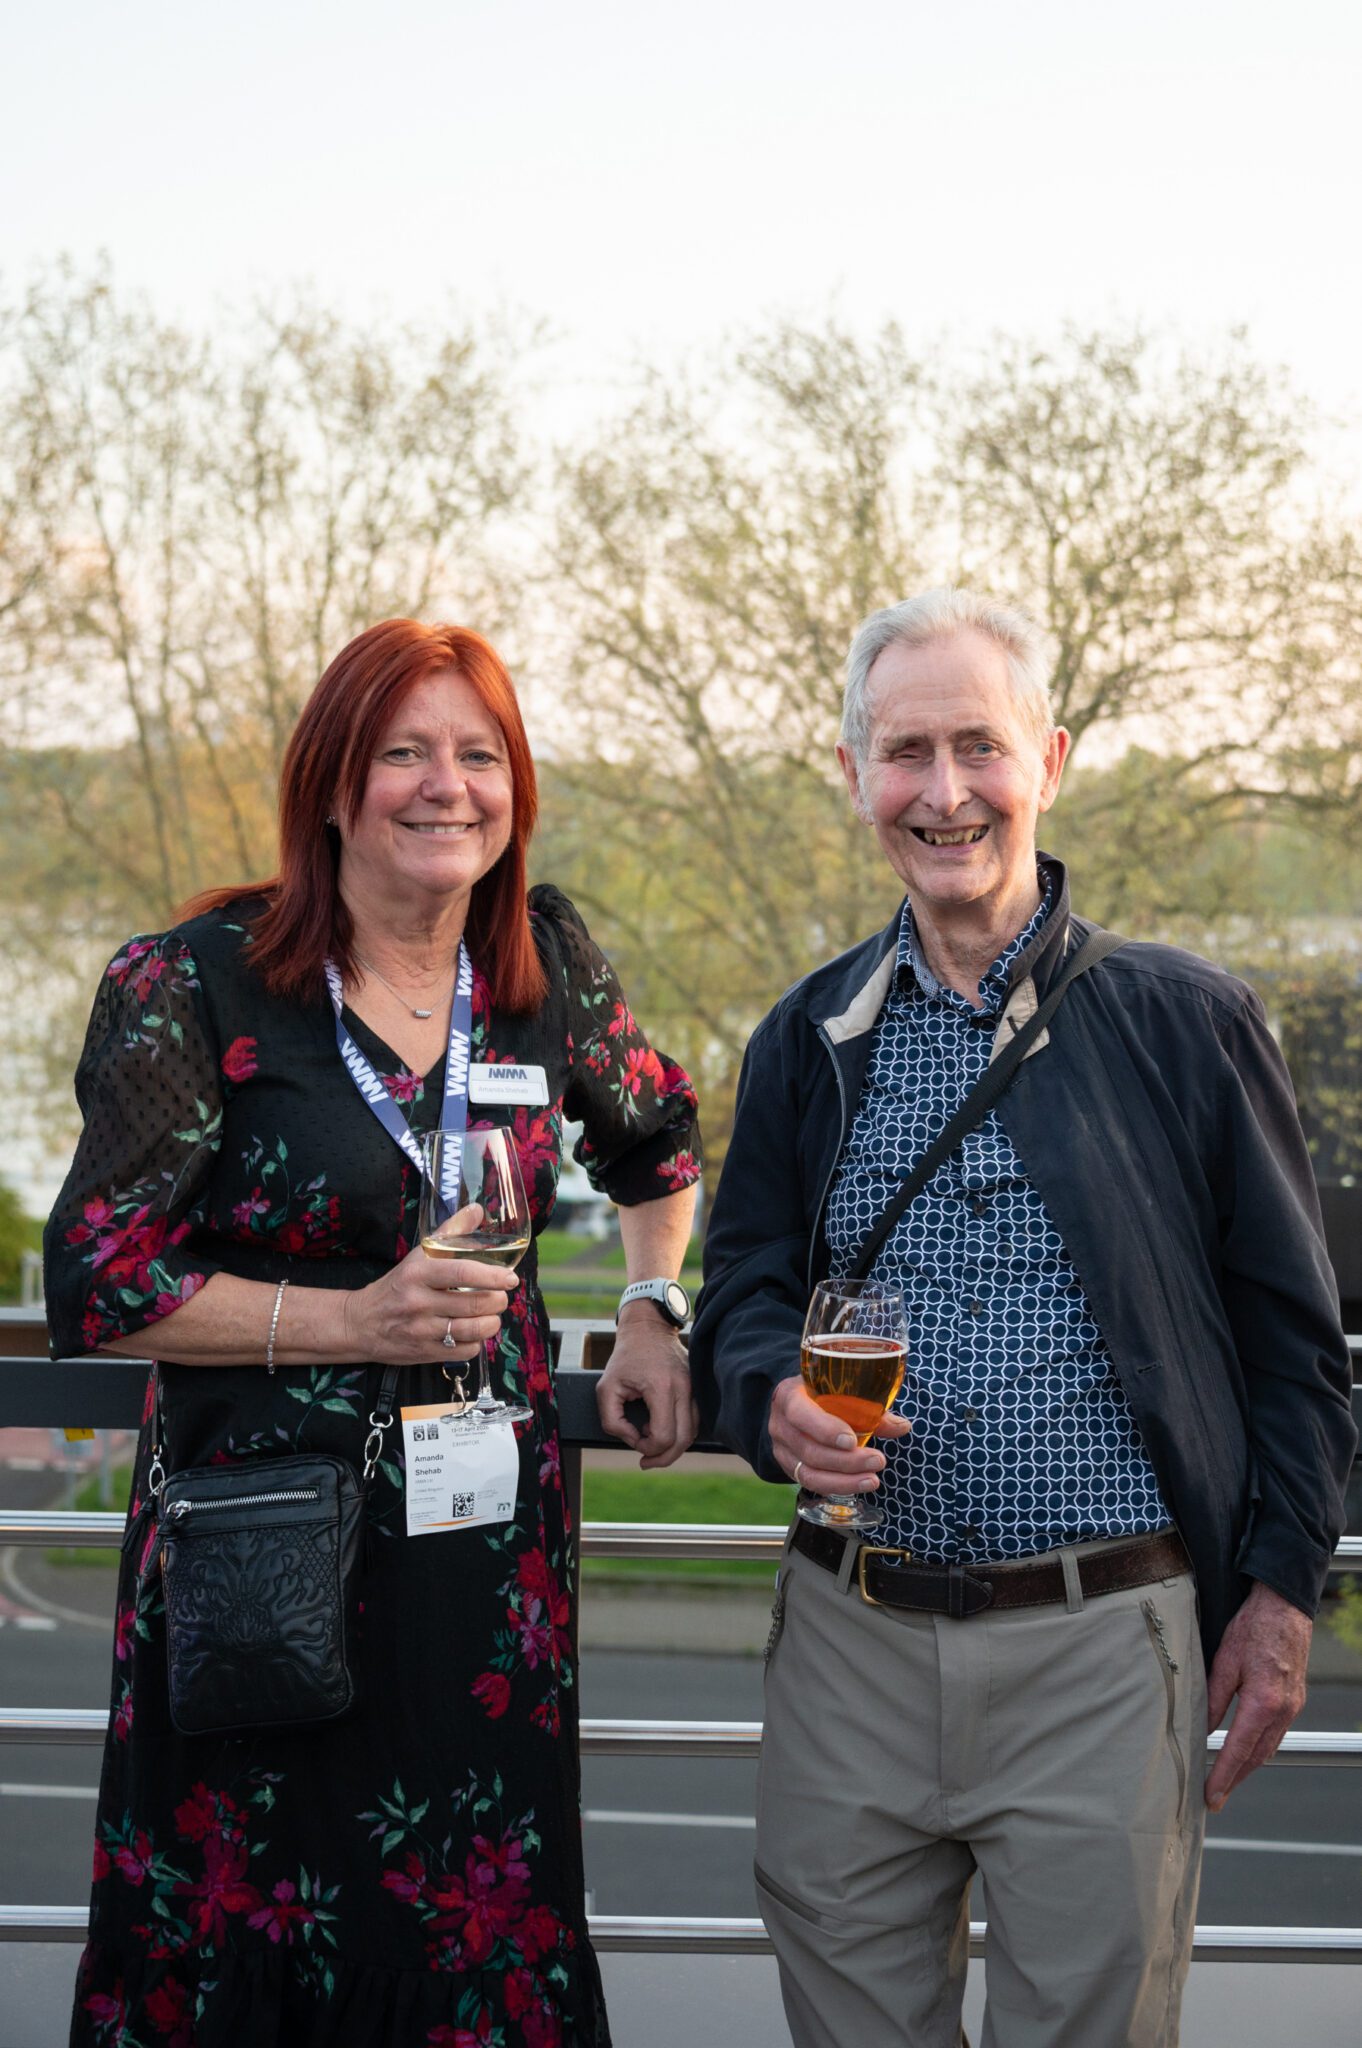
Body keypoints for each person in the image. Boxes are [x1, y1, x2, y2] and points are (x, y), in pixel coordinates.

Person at [688, 587, 1356, 2048]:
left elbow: (1297, 1348)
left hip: (1101, 1647)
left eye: (978, 747)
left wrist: (1281, 1595)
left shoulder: (1185, 1020)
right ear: (854, 774)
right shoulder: (806, 1035)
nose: (944, 793)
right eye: (904, 752)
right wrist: (765, 1398)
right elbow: (740, 1290)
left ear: (1046, 761)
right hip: (850, 1643)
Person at [46, 619, 702, 2048]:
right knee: (251, 1934)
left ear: (515, 789)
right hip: (263, 1556)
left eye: (479, 755)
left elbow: (656, 1144)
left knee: (473, 1928)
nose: (446, 786)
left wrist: (652, 1307)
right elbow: (98, 1277)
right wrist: (352, 1317)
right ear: (334, 787)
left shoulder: (541, 966)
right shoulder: (195, 981)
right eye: (404, 752)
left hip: (482, 1581)